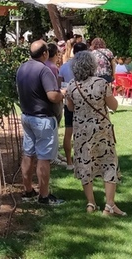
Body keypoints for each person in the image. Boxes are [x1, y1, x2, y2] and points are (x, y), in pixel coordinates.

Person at [66, 51, 124, 216]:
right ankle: (110, 205)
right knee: (109, 163)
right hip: (101, 130)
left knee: (85, 164)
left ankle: (91, 203)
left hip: (81, 131)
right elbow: (114, 106)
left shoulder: (71, 85)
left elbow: (70, 108)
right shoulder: (101, 83)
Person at [17, 40, 64, 206]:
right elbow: (52, 96)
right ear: (45, 53)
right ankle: (44, 196)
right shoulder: (44, 70)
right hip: (42, 119)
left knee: (28, 154)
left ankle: (28, 190)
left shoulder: (22, 67)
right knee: (44, 157)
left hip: (27, 116)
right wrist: (63, 93)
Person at [58, 41, 87, 170]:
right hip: (83, 102)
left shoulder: (65, 66)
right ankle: (83, 160)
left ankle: (69, 162)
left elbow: (59, 84)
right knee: (84, 131)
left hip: (69, 100)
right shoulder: (87, 66)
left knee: (68, 131)